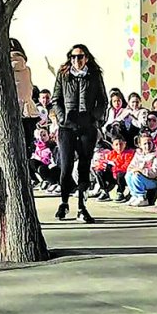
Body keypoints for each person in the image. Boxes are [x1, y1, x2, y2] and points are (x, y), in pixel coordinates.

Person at [52, 44, 108, 222]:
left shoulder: (94, 76)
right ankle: (64, 202)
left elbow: (103, 101)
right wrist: (62, 118)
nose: (77, 60)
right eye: (73, 57)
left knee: (84, 165)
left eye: (80, 56)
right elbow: (56, 99)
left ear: (87, 58)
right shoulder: (63, 75)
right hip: (67, 127)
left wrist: (94, 118)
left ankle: (82, 206)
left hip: (87, 126)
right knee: (66, 165)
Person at [11, 38, 40, 155]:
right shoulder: (26, 68)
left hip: (15, 108)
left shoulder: (5, 67)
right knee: (28, 141)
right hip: (29, 108)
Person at [124, 132, 157, 207]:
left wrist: (140, 170)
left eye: (149, 143)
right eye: (145, 144)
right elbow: (131, 166)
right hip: (143, 178)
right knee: (128, 175)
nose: (147, 146)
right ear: (140, 145)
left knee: (136, 176)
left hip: (155, 181)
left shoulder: (156, 155)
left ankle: (142, 197)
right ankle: (135, 195)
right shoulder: (138, 153)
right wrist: (133, 170)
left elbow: (154, 173)